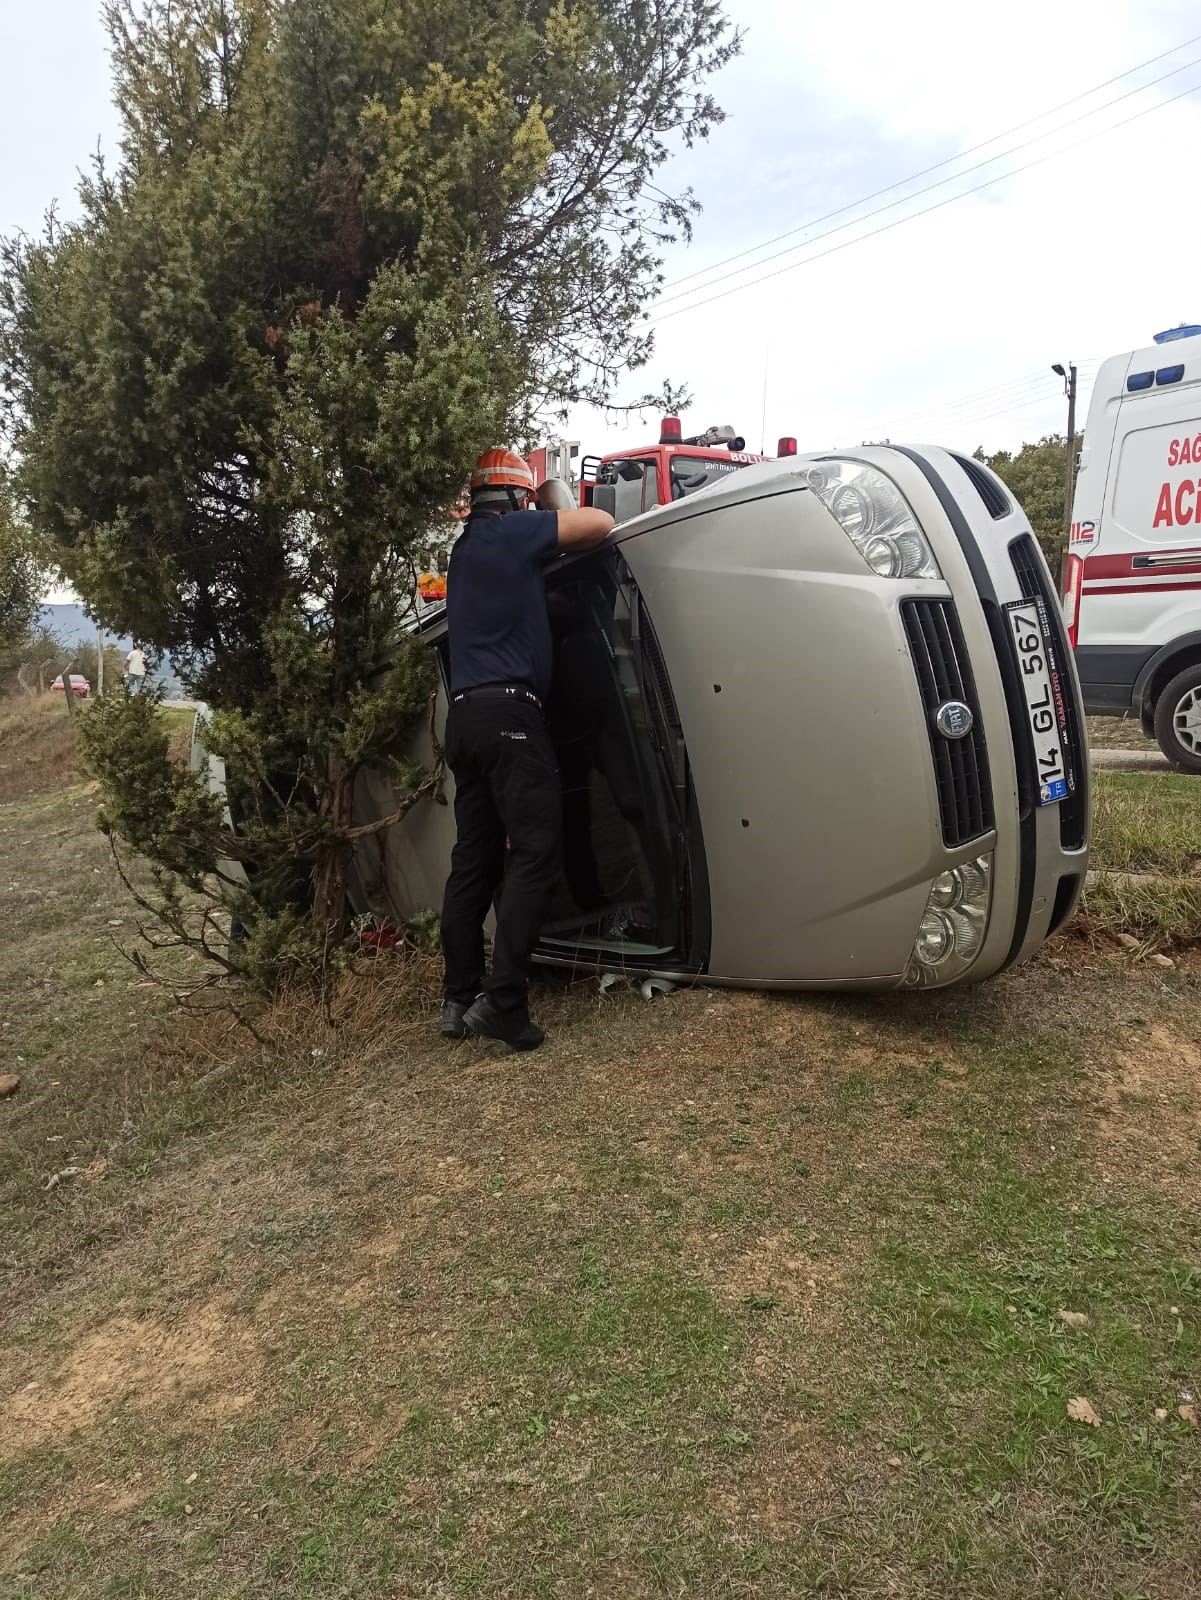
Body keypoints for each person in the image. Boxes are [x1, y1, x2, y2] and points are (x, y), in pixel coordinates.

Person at [440, 449, 614, 1050]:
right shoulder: (509, 534)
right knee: (538, 851)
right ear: (516, 499)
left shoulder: (466, 552)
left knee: (474, 861)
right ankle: (505, 1001)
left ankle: (458, 998)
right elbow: (600, 526)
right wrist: (550, 504)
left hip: (464, 719)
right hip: (510, 715)